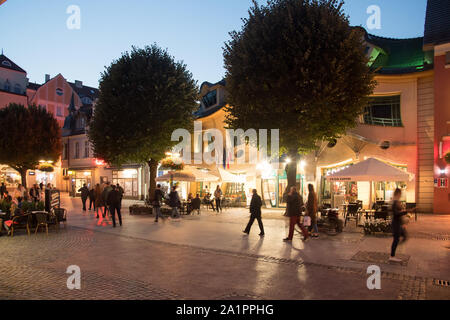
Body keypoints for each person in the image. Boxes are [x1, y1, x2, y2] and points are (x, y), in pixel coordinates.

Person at [389, 188, 408, 263]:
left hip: (398, 223)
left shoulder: (396, 201)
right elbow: (396, 214)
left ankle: (395, 247)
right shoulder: (394, 202)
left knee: (404, 235)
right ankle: (392, 256)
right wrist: (405, 212)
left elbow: (397, 213)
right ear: (397, 194)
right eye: (400, 193)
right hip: (396, 223)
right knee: (396, 240)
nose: (401, 195)